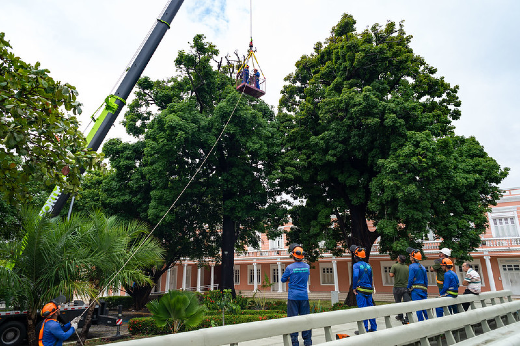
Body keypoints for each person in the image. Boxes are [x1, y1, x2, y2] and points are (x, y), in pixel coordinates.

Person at [281, 243, 312, 346]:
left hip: (293, 297)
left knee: (293, 320)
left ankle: (295, 342)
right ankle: (307, 341)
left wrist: (290, 279)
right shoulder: (307, 267)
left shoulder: (290, 268)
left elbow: (282, 279)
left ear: (293, 255)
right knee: (305, 320)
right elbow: (304, 277)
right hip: (304, 296)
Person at [351, 244, 377, 333]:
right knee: (370, 309)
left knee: (363, 310)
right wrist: (371, 287)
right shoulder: (368, 265)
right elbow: (371, 278)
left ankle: (364, 329)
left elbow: (355, 276)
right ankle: (374, 328)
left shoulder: (356, 265)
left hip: (361, 290)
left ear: (356, 256)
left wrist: (354, 287)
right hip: (368, 289)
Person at [407, 248, 428, 321]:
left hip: (415, 291)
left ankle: (421, 322)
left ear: (413, 258)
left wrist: (408, 287)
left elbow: (410, 279)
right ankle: (429, 320)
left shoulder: (412, 266)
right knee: (425, 307)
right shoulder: (423, 267)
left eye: (410, 256)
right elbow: (426, 280)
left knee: (418, 308)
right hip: (423, 290)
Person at [430, 248, 451, 317]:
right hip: (448, 283)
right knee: (449, 299)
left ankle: (442, 316)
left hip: (442, 284)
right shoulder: (449, 261)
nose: (439, 254)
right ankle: (449, 313)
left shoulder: (441, 261)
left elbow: (432, 268)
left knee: (442, 300)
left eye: (440, 253)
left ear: (443, 254)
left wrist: (433, 267)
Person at [390, 254, 410, 324]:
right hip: (406, 287)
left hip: (397, 287)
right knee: (407, 303)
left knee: (398, 302)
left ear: (399, 259)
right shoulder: (407, 267)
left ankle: (400, 316)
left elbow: (391, 275)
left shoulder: (395, 266)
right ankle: (408, 317)